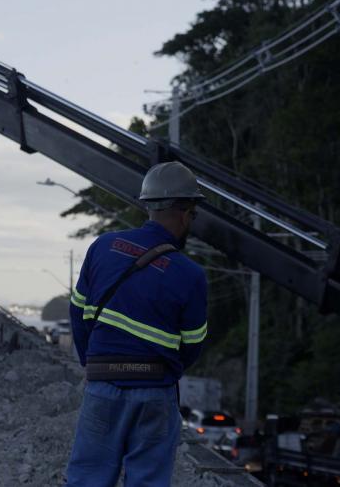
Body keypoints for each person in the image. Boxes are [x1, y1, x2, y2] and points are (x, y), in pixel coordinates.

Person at [65, 162, 209, 487]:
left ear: (148, 205)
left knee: (87, 479)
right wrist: (161, 372)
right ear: (185, 212)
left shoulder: (102, 246)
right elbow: (193, 346)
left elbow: (77, 313)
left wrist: (95, 364)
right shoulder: (190, 275)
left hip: (102, 384)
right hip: (155, 391)